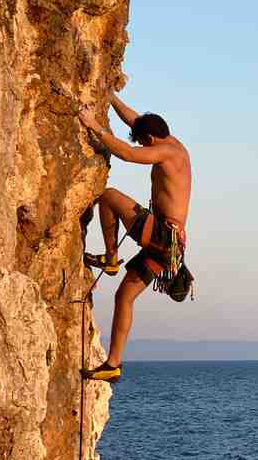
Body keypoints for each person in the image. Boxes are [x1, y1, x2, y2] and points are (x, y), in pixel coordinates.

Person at [78, 94, 192, 382]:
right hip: (171, 246)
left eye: (144, 141)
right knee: (124, 297)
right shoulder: (171, 142)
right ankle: (113, 363)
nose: (143, 146)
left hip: (163, 235)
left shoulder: (167, 153)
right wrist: (109, 97)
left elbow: (128, 154)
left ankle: (111, 258)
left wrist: (94, 126)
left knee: (108, 196)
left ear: (151, 139)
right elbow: (136, 120)